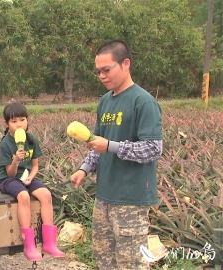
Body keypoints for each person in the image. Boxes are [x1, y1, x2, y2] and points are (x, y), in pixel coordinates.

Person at [70, 40, 163, 269]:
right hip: (105, 197)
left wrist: (111, 146)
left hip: (131, 199)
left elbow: (153, 148)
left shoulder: (143, 102)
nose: (102, 76)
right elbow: (96, 143)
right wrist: (84, 168)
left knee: (131, 263)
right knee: (105, 261)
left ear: (126, 64)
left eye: (107, 69)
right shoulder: (105, 101)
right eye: (98, 71)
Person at [0, 102, 65, 261]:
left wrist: (31, 177)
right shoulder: (5, 144)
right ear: (7, 124)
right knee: (23, 196)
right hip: (7, 178)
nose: (19, 124)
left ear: (27, 120)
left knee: (46, 194)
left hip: (26, 176)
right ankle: (29, 245)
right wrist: (16, 160)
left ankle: (49, 243)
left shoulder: (32, 140)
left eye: (22, 119)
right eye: (14, 121)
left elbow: (35, 166)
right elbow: (10, 173)